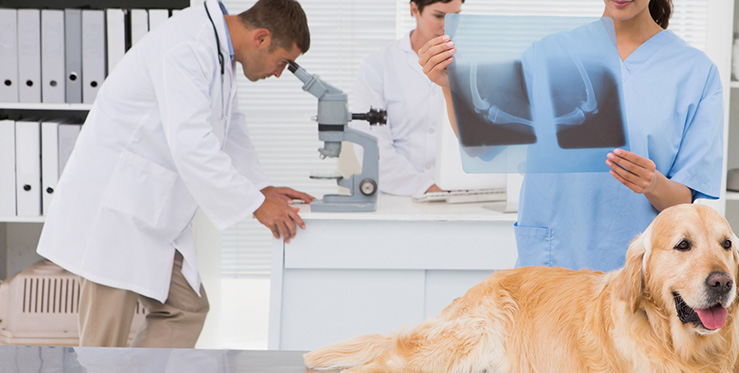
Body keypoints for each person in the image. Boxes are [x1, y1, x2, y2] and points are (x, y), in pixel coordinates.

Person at [35, 0, 314, 348]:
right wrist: (255, 205)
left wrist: (260, 187)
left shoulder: (219, 53)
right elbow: (192, 144)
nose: (277, 73)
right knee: (103, 344)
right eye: (283, 63)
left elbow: (229, 126)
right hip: (116, 209)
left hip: (151, 210)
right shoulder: (188, 45)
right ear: (261, 38)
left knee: (188, 309)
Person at [418, 0, 723, 272]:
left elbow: (684, 202)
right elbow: (483, 147)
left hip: (638, 269)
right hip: (553, 259)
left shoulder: (695, 72)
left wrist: (653, 183)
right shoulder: (549, 51)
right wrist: (449, 86)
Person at [350, 0, 464, 197]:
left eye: (455, 16)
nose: (447, 26)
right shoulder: (377, 67)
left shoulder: (472, 66)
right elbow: (372, 148)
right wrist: (428, 188)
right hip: (397, 199)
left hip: (460, 197)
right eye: (438, 16)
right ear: (414, 9)